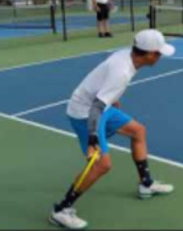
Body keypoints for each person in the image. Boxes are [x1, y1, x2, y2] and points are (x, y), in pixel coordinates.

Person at [49, 29, 175, 229]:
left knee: (138, 131)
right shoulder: (122, 72)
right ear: (149, 54)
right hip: (86, 113)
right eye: (159, 53)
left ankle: (146, 184)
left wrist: (113, 99)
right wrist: (92, 137)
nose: (160, 57)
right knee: (101, 165)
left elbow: (103, 85)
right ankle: (61, 209)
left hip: (100, 106)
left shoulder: (128, 56)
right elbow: (97, 106)